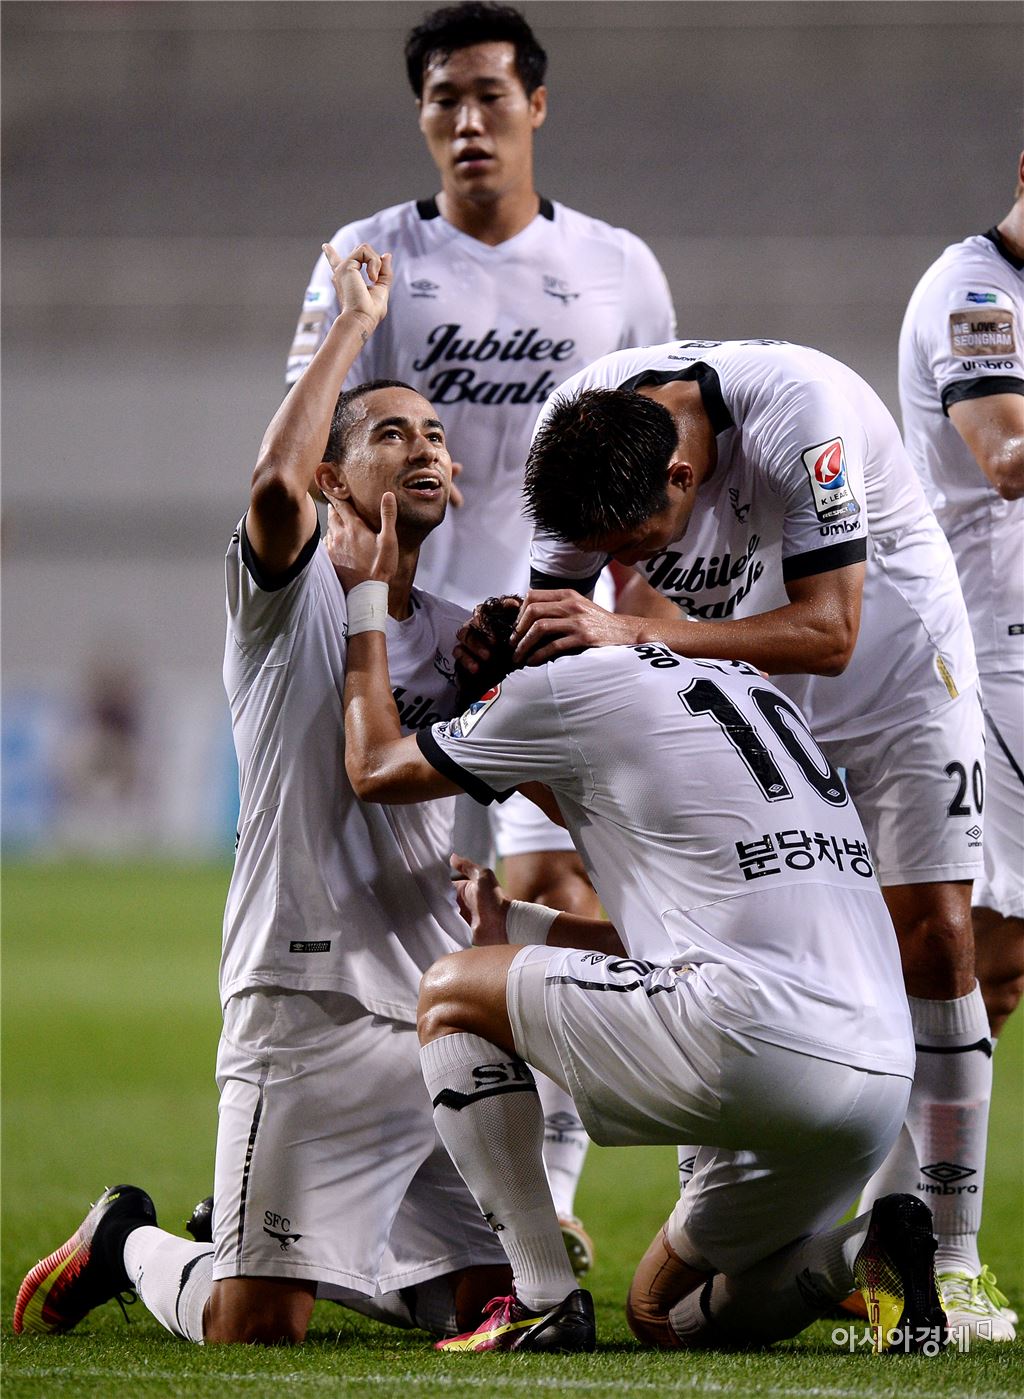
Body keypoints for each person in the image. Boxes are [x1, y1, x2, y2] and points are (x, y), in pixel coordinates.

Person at [12, 243, 510, 1345]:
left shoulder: (464, 632)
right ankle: (129, 1241)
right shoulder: (291, 598)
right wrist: (351, 326)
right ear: (336, 480)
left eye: (435, 436)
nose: (424, 447)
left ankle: (288, 1240)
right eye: (391, 434)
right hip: (308, 999)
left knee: (491, 1304)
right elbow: (273, 489)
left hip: (436, 1002)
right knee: (254, 1326)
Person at [499, 335, 1015, 1341]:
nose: (623, 566)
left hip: (898, 675)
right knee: (720, 920)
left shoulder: (800, 412)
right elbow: (551, 633)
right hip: (743, 688)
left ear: (683, 475)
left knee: (936, 937)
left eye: (636, 543)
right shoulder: (579, 433)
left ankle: (952, 1260)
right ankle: (828, 1234)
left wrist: (637, 634)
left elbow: (831, 629)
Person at [328, 520, 945, 1355]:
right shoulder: (727, 683)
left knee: (450, 992)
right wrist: (519, 922)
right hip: (875, 1079)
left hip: (758, 1040)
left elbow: (374, 766)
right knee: (664, 1313)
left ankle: (541, 1299)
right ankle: (866, 1247)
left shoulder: (556, 692)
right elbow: (679, 930)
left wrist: (366, 603)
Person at [285, 0, 676, 1257]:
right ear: (421, 115)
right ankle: (358, 1184)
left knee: (549, 895)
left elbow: (656, 469)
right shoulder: (368, 259)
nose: (466, 121)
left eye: (489, 96)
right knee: (385, 922)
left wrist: (635, 623)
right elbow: (309, 457)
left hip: (555, 646)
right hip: (405, 653)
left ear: (535, 107)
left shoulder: (618, 267)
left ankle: (545, 1196)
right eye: (442, 98)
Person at [899, 152, 1024, 1048]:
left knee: (996, 961)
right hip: (993, 645)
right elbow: (1007, 457)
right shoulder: (975, 295)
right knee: (986, 947)